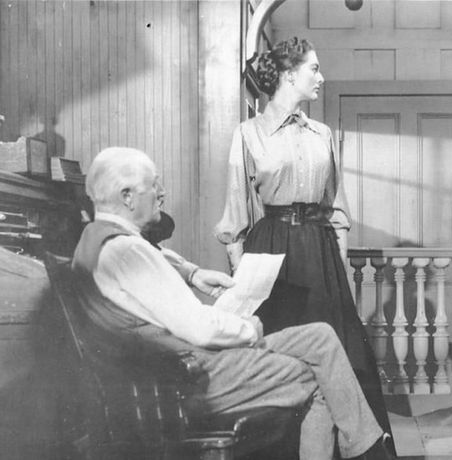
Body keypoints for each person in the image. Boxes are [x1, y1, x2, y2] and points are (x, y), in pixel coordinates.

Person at [72, 147, 394, 460]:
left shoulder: (100, 239)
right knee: (314, 376)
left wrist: (194, 274)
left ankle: (369, 447)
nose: (162, 193)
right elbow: (199, 329)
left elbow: (158, 264)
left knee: (320, 337)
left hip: (175, 370)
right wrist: (248, 328)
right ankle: (370, 452)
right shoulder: (128, 252)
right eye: (154, 185)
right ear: (127, 197)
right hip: (190, 380)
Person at [215, 36, 393, 452]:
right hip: (271, 254)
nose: (321, 77)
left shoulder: (322, 133)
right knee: (287, 366)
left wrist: (339, 271)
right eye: (314, 68)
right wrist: (242, 284)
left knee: (337, 358)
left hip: (320, 253)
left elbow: (336, 210)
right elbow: (235, 219)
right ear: (289, 75)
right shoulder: (248, 134)